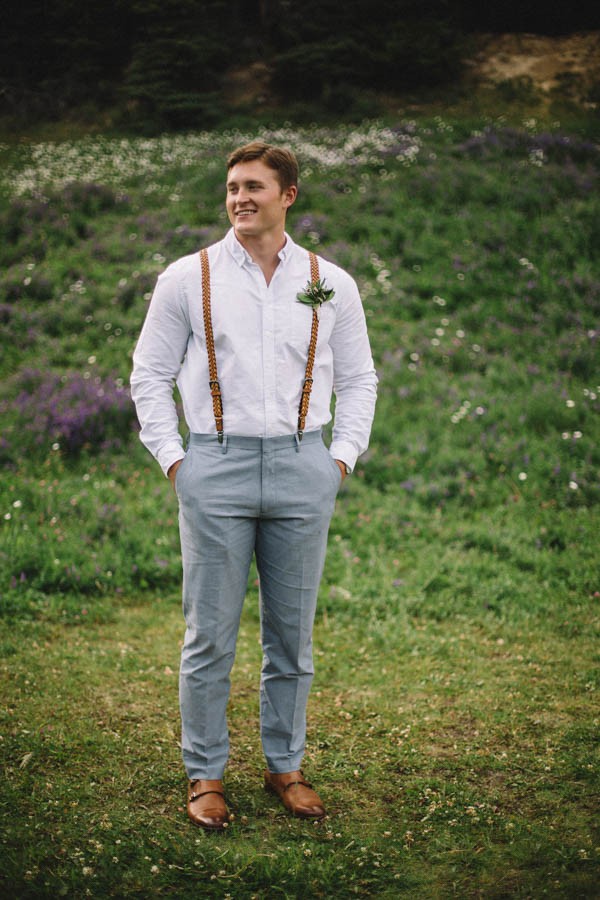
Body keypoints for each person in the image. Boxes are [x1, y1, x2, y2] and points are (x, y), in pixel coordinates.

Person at [130, 141, 377, 830]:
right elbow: (148, 373)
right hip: (216, 465)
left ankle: (285, 766)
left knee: (291, 637)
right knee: (209, 633)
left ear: (287, 195)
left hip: (304, 464)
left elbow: (359, 379)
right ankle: (204, 774)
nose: (240, 197)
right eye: (233, 186)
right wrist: (177, 460)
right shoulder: (188, 277)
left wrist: (340, 458)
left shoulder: (333, 282)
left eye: (255, 186)